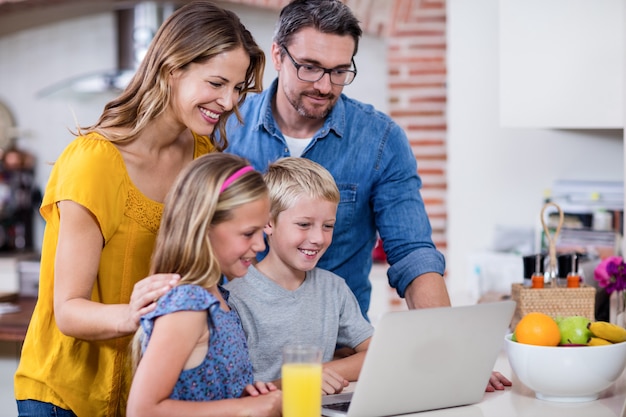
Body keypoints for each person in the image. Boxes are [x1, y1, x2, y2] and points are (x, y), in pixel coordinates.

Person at [224, 0, 511, 392]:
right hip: (242, 362)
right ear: (277, 54)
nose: (325, 86)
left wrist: (449, 351)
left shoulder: (380, 140)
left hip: (339, 361)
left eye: (340, 71)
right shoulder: (227, 130)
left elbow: (412, 253)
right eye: (310, 67)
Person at [14, 2, 266, 416]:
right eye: (217, 83)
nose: (228, 101)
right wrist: (138, 313)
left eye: (237, 88)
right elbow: (69, 312)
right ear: (172, 69)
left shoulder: (202, 155)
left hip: (145, 388)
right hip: (65, 396)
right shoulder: (93, 161)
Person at [126, 153, 281, 417]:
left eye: (261, 232)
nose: (260, 245)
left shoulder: (217, 298)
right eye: (248, 233)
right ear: (204, 226)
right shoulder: (188, 305)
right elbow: (142, 410)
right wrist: (245, 408)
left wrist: (242, 396)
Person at [225, 157, 373, 395]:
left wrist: (320, 373)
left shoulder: (334, 289)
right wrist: (304, 379)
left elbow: (375, 354)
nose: (318, 238)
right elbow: (236, 392)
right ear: (268, 223)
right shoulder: (235, 299)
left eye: (328, 226)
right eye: (304, 224)